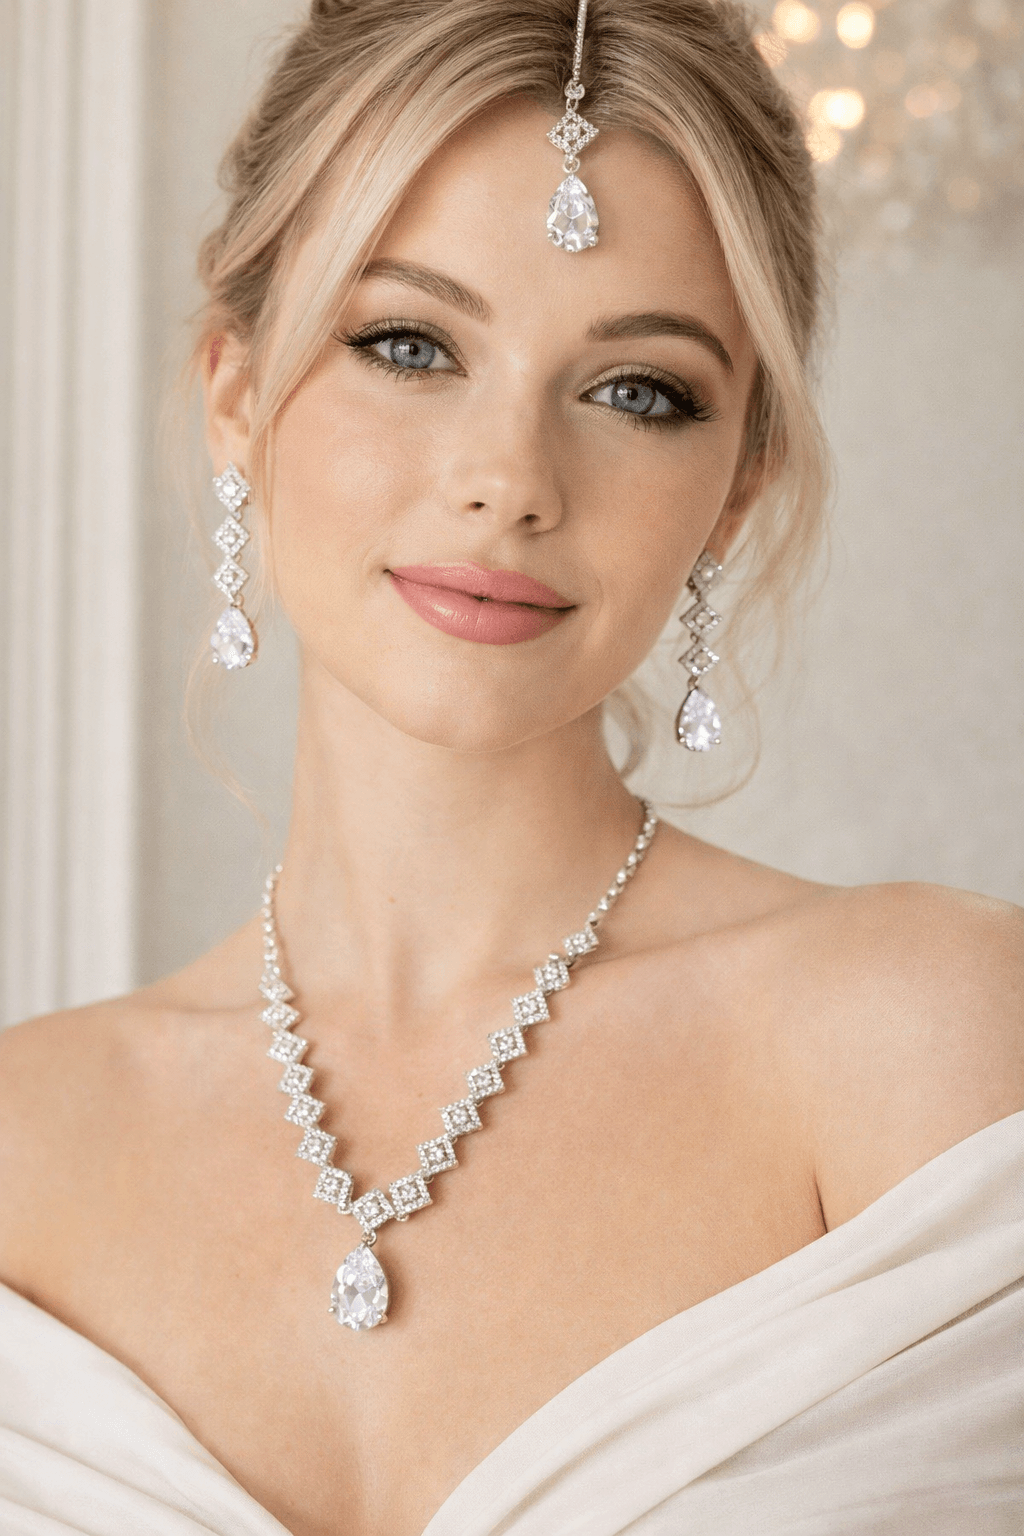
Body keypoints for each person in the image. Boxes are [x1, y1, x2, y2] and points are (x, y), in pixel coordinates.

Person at [0, 1, 1021, 1533]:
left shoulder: (930, 1038)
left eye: (639, 391)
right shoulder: (23, 1145)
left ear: (736, 487)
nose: (508, 484)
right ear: (236, 391)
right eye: (408, 345)